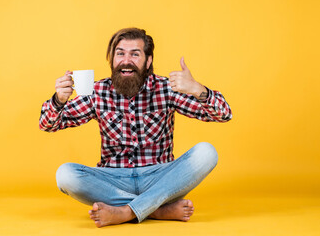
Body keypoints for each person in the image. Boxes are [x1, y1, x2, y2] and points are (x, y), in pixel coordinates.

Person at [39, 27, 232, 227]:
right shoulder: (98, 92)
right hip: (114, 178)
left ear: (148, 61)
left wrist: (197, 89)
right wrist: (59, 100)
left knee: (207, 152)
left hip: (159, 176)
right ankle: (157, 210)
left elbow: (223, 113)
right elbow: (47, 124)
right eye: (120, 53)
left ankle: (125, 211)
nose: (126, 60)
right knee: (65, 175)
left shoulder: (166, 89)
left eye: (135, 54)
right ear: (112, 60)